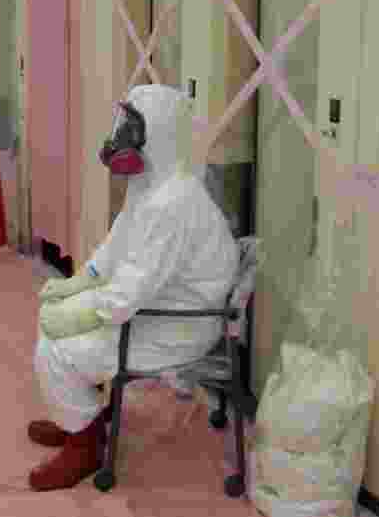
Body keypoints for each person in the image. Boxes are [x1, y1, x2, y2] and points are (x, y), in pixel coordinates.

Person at [29, 84, 239, 491]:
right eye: (122, 125)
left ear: (157, 135)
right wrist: (81, 281)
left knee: (58, 351)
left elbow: (130, 291)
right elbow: (117, 245)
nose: (120, 138)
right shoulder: (152, 186)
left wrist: (83, 310)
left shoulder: (171, 202)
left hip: (180, 322)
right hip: (159, 303)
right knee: (51, 330)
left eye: (132, 129)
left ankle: (84, 446)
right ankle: (80, 419)